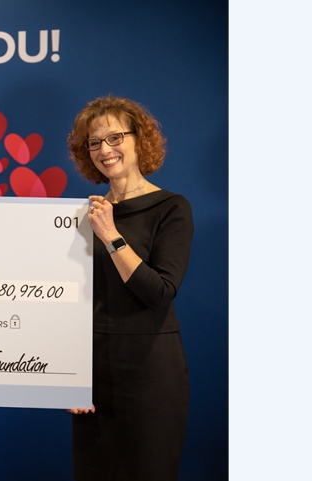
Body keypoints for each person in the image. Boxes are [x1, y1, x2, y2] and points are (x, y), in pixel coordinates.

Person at [65, 95, 192, 480]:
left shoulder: (171, 207)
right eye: (94, 142)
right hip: (94, 376)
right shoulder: (84, 215)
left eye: (115, 137)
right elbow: (71, 303)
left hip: (150, 373)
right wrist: (68, 377)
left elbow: (160, 292)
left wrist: (112, 236)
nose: (105, 149)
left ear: (140, 140)